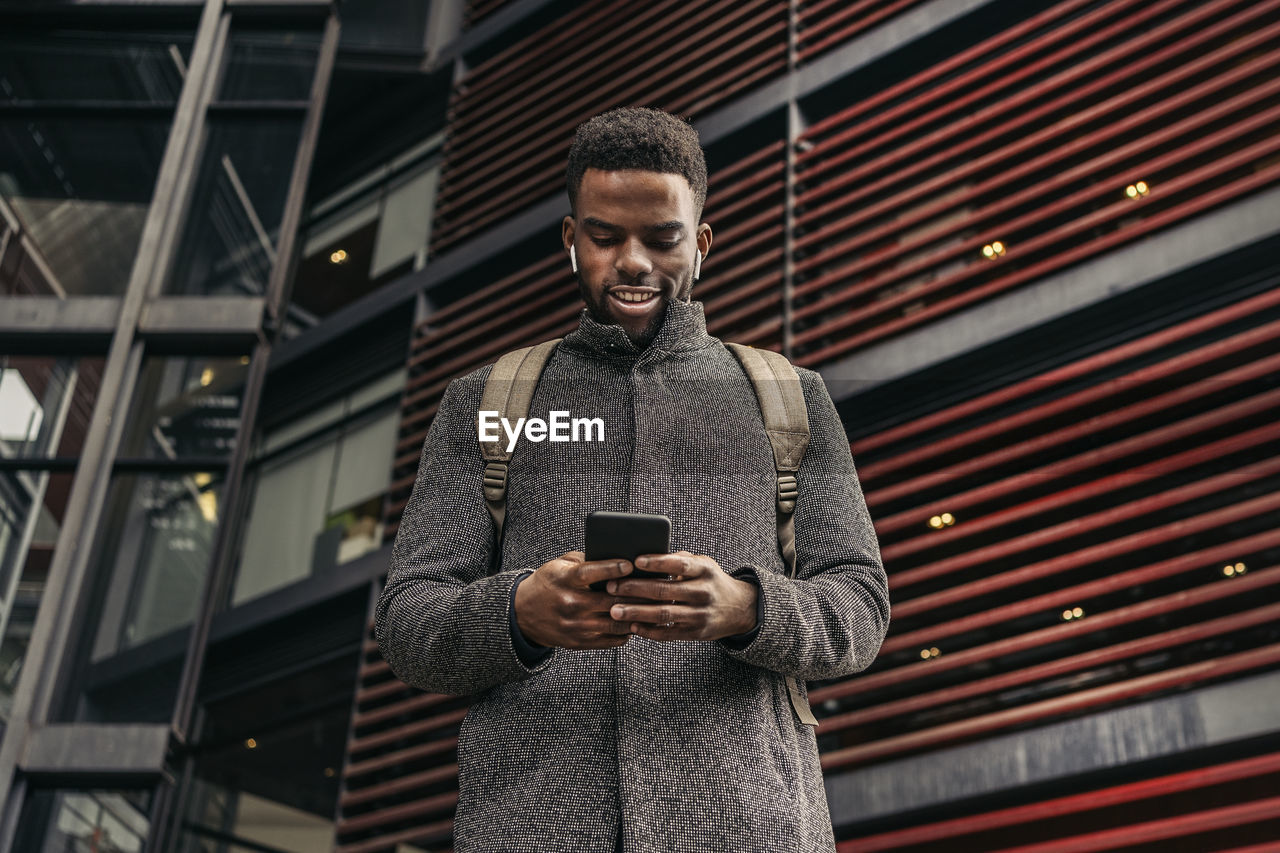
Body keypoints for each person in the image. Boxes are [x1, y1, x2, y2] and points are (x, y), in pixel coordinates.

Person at [376, 107, 890, 853]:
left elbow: (862, 606)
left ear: (702, 244)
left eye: (662, 238)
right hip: (532, 830)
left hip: (750, 828)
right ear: (571, 239)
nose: (634, 262)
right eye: (606, 236)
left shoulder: (790, 397)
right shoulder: (485, 403)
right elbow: (408, 621)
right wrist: (518, 614)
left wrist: (745, 606)